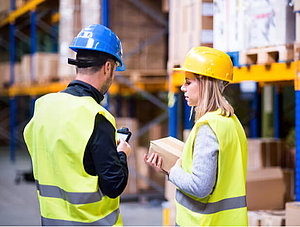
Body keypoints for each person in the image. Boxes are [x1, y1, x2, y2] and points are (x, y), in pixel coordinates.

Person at [23, 24, 131, 226]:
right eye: (115, 68)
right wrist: (122, 154)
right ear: (108, 67)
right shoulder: (97, 117)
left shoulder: (42, 107)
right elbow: (114, 184)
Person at [145, 46, 248, 226]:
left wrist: (172, 170)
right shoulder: (231, 122)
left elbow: (200, 187)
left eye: (188, 82)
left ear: (206, 83)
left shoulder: (208, 127)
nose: (183, 87)